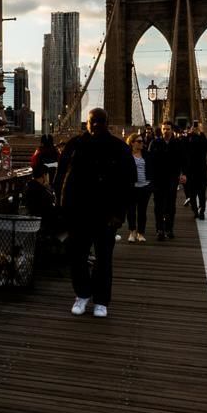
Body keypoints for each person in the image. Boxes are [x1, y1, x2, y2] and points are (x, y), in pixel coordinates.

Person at [52, 108, 135, 317]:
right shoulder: (74, 146)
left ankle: (101, 301)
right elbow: (60, 178)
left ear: (106, 122)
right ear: (86, 123)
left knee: (104, 259)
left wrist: (119, 214)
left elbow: (128, 183)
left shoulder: (119, 148)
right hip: (78, 214)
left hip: (106, 216)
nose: (95, 124)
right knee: (78, 257)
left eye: (99, 121)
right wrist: (62, 210)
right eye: (92, 121)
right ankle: (82, 294)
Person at [146, 124, 182, 240]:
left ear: (172, 130)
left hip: (172, 179)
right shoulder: (154, 143)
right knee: (158, 206)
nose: (166, 131)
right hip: (158, 179)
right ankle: (159, 230)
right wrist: (149, 178)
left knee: (171, 206)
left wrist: (183, 174)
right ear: (161, 130)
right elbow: (149, 161)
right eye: (164, 129)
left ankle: (169, 229)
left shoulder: (177, 143)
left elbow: (183, 159)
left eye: (168, 129)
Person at [124, 133, 153, 242]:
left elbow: (152, 168)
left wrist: (151, 184)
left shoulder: (146, 154)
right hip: (132, 187)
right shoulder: (126, 155)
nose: (142, 143)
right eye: (139, 141)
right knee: (131, 211)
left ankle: (141, 233)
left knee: (142, 211)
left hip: (145, 187)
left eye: (142, 141)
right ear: (132, 143)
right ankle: (132, 232)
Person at [182, 123, 207, 219]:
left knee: (193, 194)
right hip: (200, 170)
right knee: (201, 194)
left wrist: (191, 133)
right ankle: (200, 211)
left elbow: (184, 144)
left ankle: (196, 211)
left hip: (193, 171)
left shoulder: (190, 139)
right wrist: (201, 132)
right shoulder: (200, 139)